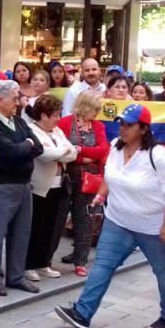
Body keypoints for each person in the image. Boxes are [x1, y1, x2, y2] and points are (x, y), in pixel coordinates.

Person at [55, 104, 165, 328]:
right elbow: (110, 175)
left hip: (154, 226)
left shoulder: (158, 155)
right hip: (119, 220)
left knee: (164, 271)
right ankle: (82, 313)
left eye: (129, 125)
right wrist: (101, 194)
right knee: (102, 266)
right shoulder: (116, 147)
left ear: (144, 129)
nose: (123, 129)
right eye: (121, 124)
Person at [0, 79, 44, 296]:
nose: (18, 102)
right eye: (15, 98)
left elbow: (39, 147)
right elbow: (12, 153)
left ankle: (16, 276)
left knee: (21, 233)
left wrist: (24, 147)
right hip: (0, 186)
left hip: (23, 184)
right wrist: (26, 146)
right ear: (1, 100)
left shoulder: (18, 121)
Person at [24, 95, 77, 282]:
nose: (58, 118)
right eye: (55, 115)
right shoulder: (31, 130)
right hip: (38, 188)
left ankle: (43, 263)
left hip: (58, 186)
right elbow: (44, 155)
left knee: (51, 228)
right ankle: (28, 265)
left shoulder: (57, 132)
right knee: (35, 227)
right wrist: (63, 152)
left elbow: (74, 152)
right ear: (43, 116)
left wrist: (62, 152)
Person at [57, 91, 109, 276]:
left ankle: (80, 259)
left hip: (89, 178)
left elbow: (103, 150)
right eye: (95, 108)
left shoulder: (98, 126)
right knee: (59, 216)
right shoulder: (65, 123)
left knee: (84, 218)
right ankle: (45, 258)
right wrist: (85, 157)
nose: (97, 112)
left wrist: (78, 150)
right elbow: (62, 149)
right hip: (67, 176)